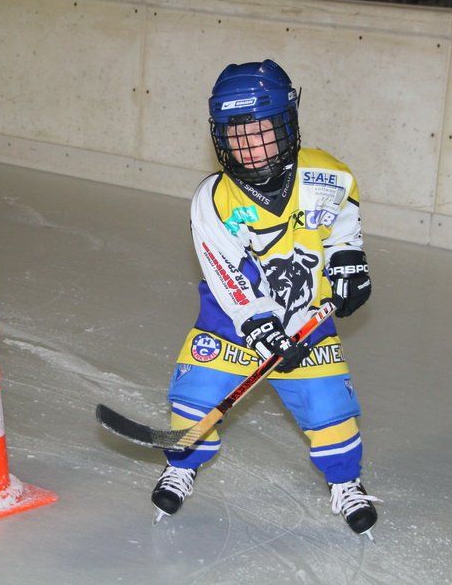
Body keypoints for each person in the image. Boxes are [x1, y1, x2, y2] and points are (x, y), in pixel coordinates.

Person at [150, 59, 380, 538]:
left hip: (307, 318)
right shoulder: (213, 200)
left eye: (261, 132)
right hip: (231, 323)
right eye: (237, 136)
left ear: (287, 123)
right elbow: (227, 275)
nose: (249, 148)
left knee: (329, 409)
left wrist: (348, 261)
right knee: (195, 399)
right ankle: (182, 465)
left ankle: (345, 481)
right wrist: (260, 327)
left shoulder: (329, 176)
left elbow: (342, 225)